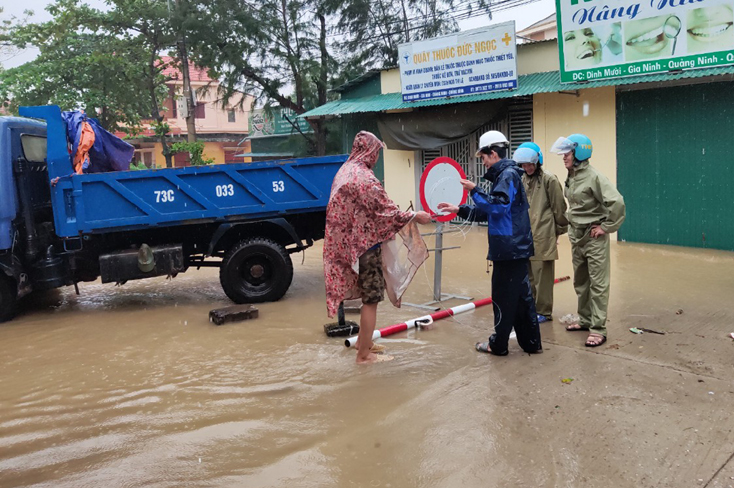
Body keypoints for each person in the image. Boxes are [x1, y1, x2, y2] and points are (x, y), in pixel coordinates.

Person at [323, 131, 432, 364]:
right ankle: (363, 356)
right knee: (371, 299)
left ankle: (365, 343)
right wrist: (415, 215)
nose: (377, 158)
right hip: (365, 247)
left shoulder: (345, 171)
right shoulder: (365, 178)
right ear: (370, 151)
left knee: (367, 296)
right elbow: (386, 212)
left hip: (351, 246)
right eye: (377, 153)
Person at [438, 131, 542, 356]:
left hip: (508, 249)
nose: (483, 163)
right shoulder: (510, 175)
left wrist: (474, 190)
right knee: (521, 298)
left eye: (483, 158)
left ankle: (499, 345)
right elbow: (493, 213)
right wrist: (460, 209)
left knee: (503, 300)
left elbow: (498, 206)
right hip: (516, 248)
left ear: (493, 154)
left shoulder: (506, 176)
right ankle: (531, 343)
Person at [550, 134, 626, 347]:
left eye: (568, 153)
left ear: (579, 153)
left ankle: (598, 329)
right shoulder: (572, 176)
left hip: (594, 238)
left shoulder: (594, 177)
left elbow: (617, 202)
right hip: (578, 237)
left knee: (598, 284)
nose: (564, 157)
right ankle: (584, 320)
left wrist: (606, 227)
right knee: (581, 282)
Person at [516, 143, 568, 324]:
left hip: (544, 234)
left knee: (543, 278)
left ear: (537, 161)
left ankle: (544, 312)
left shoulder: (549, 179)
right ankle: (532, 309)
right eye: (523, 165)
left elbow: (559, 208)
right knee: (529, 276)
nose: (527, 168)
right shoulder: (522, 180)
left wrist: (558, 233)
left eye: (530, 164)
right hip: (526, 235)